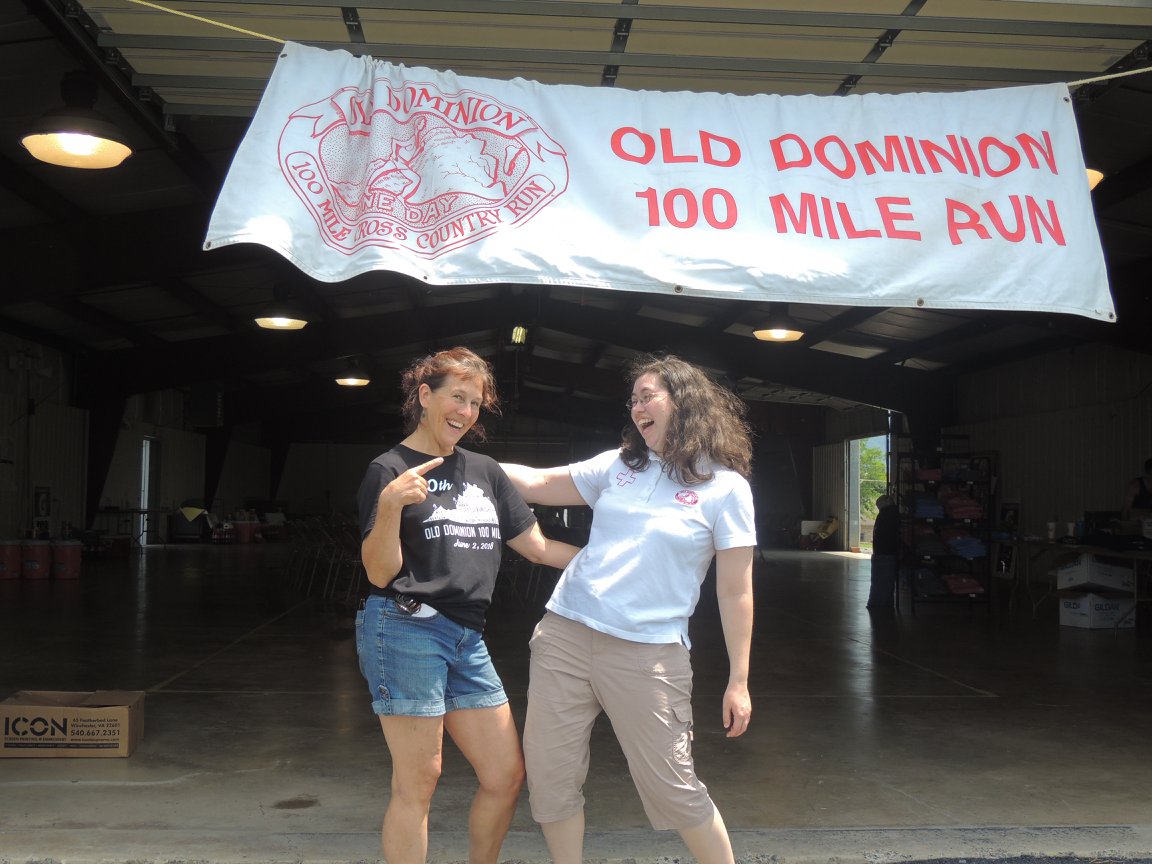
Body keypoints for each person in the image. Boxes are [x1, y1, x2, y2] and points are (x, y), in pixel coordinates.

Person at [501, 353, 756, 864]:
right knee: (549, 780)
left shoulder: (726, 488)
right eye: (633, 399)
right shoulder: (617, 467)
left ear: (683, 403)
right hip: (565, 635)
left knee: (674, 789)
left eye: (648, 396)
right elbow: (536, 482)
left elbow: (735, 591)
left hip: (649, 656)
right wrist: (461, 460)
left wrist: (738, 679)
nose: (637, 407)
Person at [355, 347, 581, 864]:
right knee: (419, 780)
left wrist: (613, 562)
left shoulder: (484, 471)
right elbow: (379, 572)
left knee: (505, 775)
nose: (466, 411)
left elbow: (537, 547)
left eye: (475, 402)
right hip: (404, 626)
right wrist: (390, 506)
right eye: (456, 397)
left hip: (465, 638)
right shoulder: (387, 470)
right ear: (424, 396)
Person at [867, 494, 900, 610]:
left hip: (883, 552)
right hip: (887, 552)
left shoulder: (885, 515)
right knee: (886, 581)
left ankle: (878, 603)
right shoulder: (893, 514)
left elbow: (883, 535)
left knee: (880, 581)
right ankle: (884, 602)